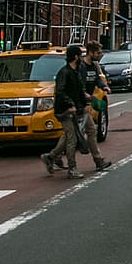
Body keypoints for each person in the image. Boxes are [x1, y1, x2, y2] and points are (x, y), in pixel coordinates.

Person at [42, 45, 87, 179]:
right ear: (75, 57)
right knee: (71, 138)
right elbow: (60, 92)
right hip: (65, 111)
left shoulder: (75, 71)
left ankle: (51, 156)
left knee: (68, 136)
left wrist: (82, 105)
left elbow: (78, 91)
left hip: (71, 109)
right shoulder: (65, 72)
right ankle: (72, 167)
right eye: (80, 56)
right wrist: (71, 105)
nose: (82, 58)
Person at [79, 41, 111, 172]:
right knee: (77, 133)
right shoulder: (81, 67)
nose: (100, 55)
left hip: (87, 104)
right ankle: (98, 161)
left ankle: (52, 157)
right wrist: (84, 95)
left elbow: (97, 79)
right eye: (98, 53)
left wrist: (104, 86)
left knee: (77, 133)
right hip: (80, 104)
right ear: (90, 52)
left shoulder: (93, 66)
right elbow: (78, 84)